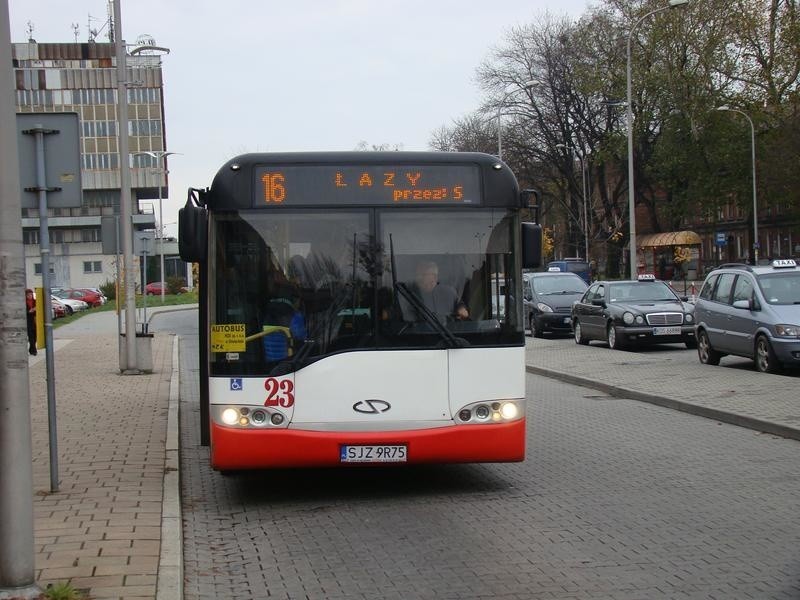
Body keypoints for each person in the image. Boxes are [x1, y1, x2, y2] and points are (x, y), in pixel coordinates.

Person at [25, 288, 37, 356]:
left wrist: (35, 310)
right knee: (31, 337)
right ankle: (34, 351)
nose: (30, 296)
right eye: (28, 295)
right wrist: (29, 311)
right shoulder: (24, 302)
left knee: (35, 337)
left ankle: (31, 349)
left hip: (35, 321)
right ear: (26, 295)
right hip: (28, 321)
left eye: (31, 294)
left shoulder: (35, 301)